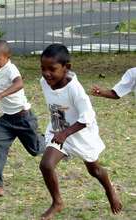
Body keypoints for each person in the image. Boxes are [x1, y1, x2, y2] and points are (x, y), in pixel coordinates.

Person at [39, 44, 122, 220]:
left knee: (95, 170)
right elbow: (57, 105)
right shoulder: (44, 82)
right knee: (46, 165)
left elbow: (88, 117)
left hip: (81, 134)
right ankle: (57, 202)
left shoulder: (75, 89)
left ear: (66, 67)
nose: (46, 74)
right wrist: (59, 129)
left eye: (52, 69)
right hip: (60, 129)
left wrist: (65, 133)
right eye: (43, 69)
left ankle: (109, 189)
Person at [0, 40, 45, 196]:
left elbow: (19, 84)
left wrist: (1, 95)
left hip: (23, 117)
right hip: (6, 120)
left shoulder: (11, 69)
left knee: (36, 149)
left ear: (7, 57)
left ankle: (56, 144)